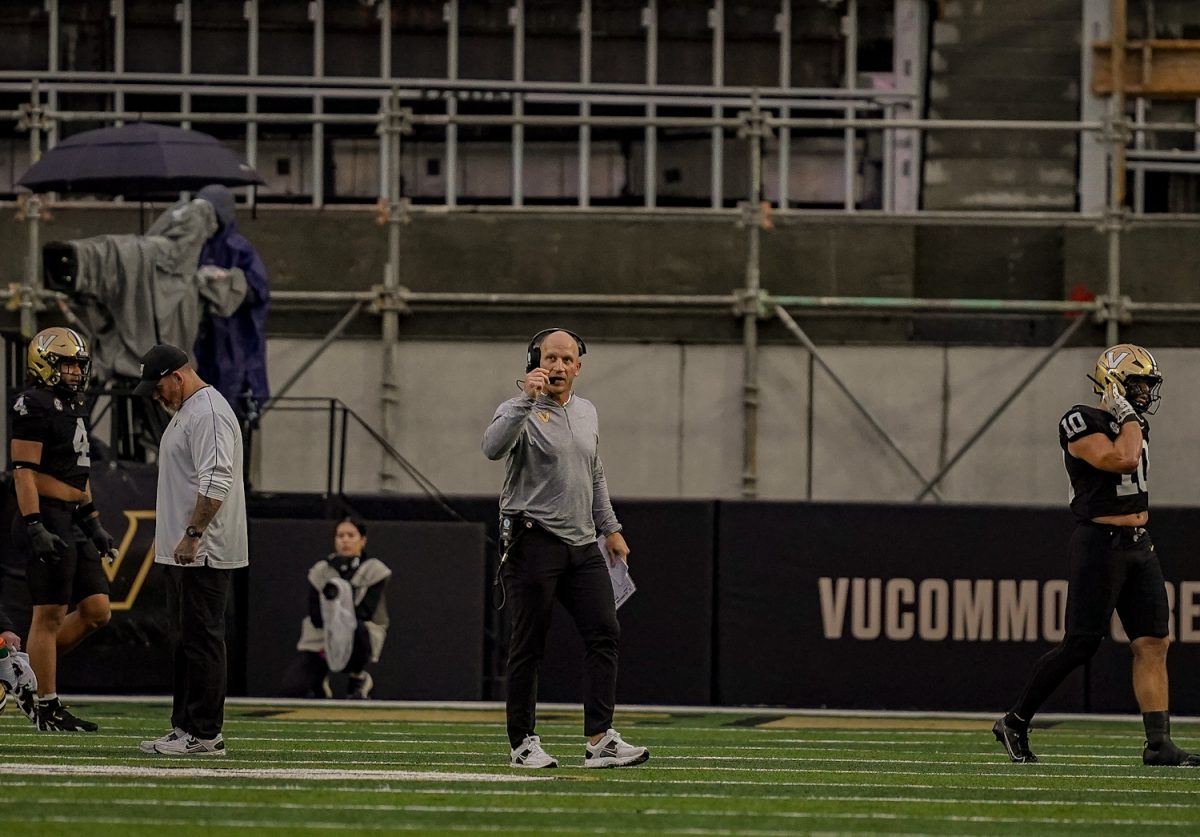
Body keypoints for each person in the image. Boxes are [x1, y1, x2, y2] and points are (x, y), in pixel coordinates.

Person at [994, 343, 1200, 766]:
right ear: (1112, 381)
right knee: (1080, 646)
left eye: (1147, 383)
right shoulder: (1081, 420)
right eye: (1137, 382)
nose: (1144, 391)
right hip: (1099, 544)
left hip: (1139, 544)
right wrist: (1124, 415)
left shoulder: (1135, 422)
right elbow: (1121, 460)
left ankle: (1158, 743)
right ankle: (1015, 720)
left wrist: (1129, 417)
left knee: (1154, 641)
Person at [482, 328, 649, 769]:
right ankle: (522, 744)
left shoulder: (587, 411)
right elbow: (491, 448)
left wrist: (610, 528)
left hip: (581, 543)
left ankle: (599, 740)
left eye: (566, 359)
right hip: (532, 539)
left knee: (604, 632)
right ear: (535, 361)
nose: (558, 366)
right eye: (549, 358)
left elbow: (594, 471)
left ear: (578, 366)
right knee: (528, 644)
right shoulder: (517, 408)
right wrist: (525, 400)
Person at [132, 344, 247, 757]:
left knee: (202, 639)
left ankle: (205, 733)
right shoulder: (187, 412)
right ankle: (184, 727)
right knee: (184, 640)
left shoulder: (208, 413)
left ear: (177, 377)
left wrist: (194, 533)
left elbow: (217, 479)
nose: (156, 395)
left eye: (158, 386)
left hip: (205, 550)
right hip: (186, 550)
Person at [9, 326, 115, 732]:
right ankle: (45, 705)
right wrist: (35, 524)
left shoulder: (72, 404)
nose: (74, 371)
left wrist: (94, 523)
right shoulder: (31, 403)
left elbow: (78, 472)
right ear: (43, 363)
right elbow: (23, 473)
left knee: (96, 610)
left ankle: (22, 675)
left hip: (70, 515)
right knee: (48, 615)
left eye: (77, 364)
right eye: (66, 363)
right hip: (46, 514)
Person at [281, 517, 391, 699]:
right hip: (321, 637)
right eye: (340, 535)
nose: (345, 540)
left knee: (358, 629)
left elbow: (365, 612)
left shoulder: (375, 571)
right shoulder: (321, 571)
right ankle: (318, 680)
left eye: (351, 535)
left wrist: (340, 612)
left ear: (362, 540)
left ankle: (358, 677)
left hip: (357, 635)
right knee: (293, 689)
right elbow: (315, 614)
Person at [193, 184, 270, 425]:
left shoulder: (239, 249)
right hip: (205, 341)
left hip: (234, 341)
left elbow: (258, 289)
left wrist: (227, 283)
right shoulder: (196, 246)